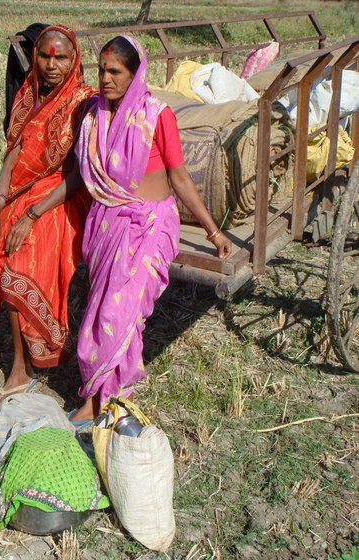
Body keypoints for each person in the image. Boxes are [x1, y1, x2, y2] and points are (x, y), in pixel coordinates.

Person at [69, 36, 232, 422]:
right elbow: (82, 173)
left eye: (115, 71)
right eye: (101, 70)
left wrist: (214, 232)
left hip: (149, 227)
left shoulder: (157, 115)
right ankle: (109, 392)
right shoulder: (93, 116)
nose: (105, 78)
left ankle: (102, 399)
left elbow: (180, 179)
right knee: (100, 310)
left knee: (116, 314)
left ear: (135, 73)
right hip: (107, 226)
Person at [0, 25, 95, 407]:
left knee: (20, 263)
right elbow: (13, 156)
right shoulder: (29, 96)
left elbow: (78, 173)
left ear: (73, 59)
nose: (51, 64)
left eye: (60, 57)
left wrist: (31, 214)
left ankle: (23, 367)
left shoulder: (84, 102)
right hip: (22, 194)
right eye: (45, 55)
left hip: (62, 198)